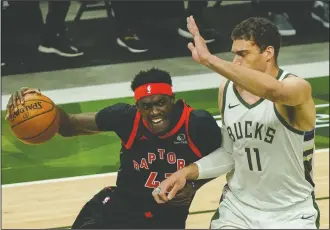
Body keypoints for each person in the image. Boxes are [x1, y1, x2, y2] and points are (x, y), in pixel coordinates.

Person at [6, 68, 232, 228]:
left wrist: (194, 184)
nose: (154, 112)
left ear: (172, 99)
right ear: (137, 106)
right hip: (118, 210)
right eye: (146, 106)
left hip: (166, 219)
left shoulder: (197, 124)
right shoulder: (125, 118)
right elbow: (67, 125)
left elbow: (227, 158)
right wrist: (35, 101)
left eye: (160, 103)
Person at [153, 16, 320, 229]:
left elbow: (273, 91)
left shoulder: (297, 88)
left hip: (292, 213)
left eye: (243, 54)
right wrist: (185, 172)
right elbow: (231, 152)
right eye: (234, 54)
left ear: (268, 53)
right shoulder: (227, 89)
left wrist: (209, 60)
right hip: (238, 211)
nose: (235, 62)